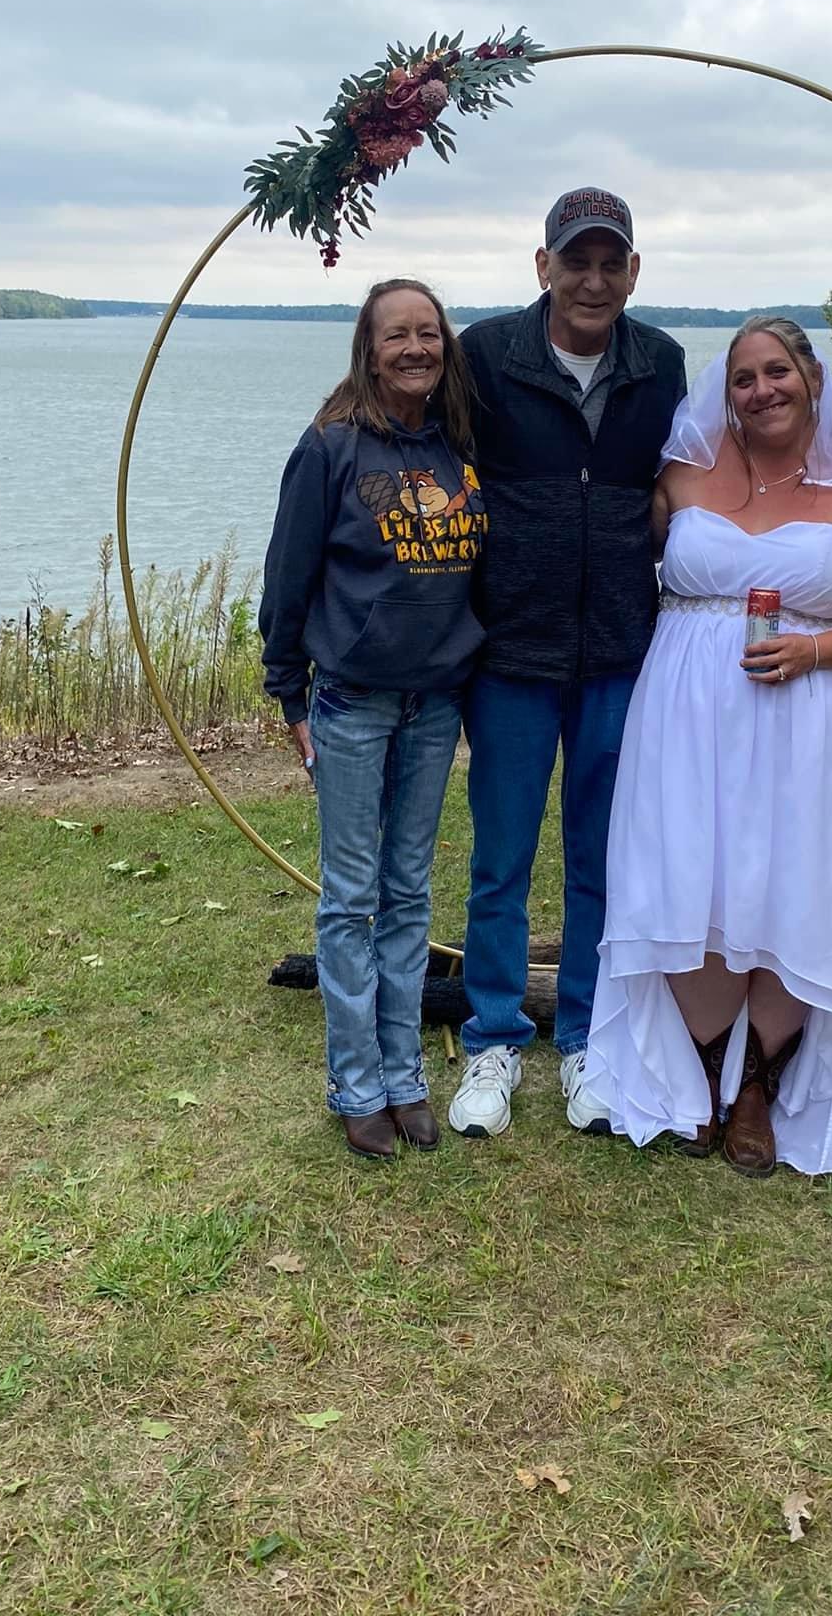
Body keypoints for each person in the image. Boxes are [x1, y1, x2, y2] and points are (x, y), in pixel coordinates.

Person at [584, 318, 832, 1176]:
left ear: (812, 376)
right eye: (743, 378)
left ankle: (758, 1083)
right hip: (687, 717)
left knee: (798, 885)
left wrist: (815, 648)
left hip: (821, 721)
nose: (761, 391)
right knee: (692, 873)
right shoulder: (684, 474)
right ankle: (702, 1068)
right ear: (725, 390)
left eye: (777, 372)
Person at [446, 187, 687, 1138]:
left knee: (603, 855)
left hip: (622, 651)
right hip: (509, 649)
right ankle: (493, 1037)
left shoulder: (660, 363)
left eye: (610, 261)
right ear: (542, 266)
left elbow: (694, 473)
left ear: (633, 271)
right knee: (501, 856)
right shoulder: (484, 355)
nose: (593, 279)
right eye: (574, 260)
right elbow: (429, 457)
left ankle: (586, 1035)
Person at [258, 278, 487, 1162]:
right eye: (398, 335)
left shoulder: (457, 446)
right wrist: (287, 690)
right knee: (350, 896)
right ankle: (356, 1084)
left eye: (429, 333)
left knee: (409, 892)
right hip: (353, 700)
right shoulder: (332, 447)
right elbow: (288, 573)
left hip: (438, 703)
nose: (416, 348)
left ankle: (405, 1076)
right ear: (369, 345)